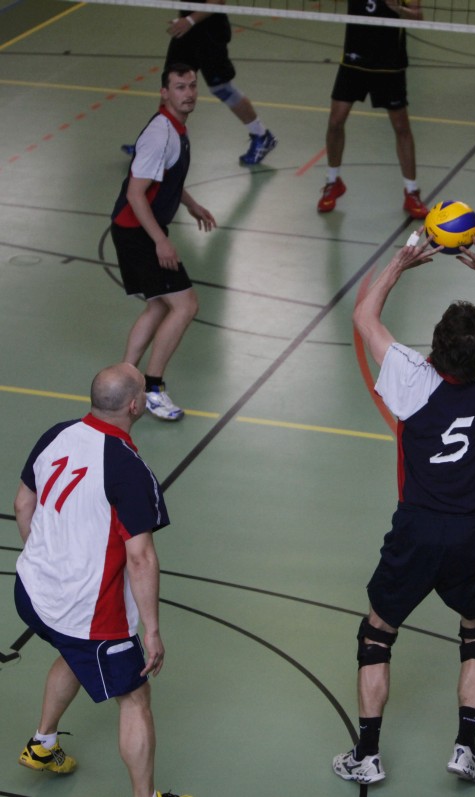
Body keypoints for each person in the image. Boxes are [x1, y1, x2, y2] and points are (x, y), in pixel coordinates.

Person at [332, 230, 475, 785]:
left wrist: (400, 262)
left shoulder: (411, 377)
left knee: (377, 634)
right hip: (471, 532)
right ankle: (464, 749)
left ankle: (367, 755)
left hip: (415, 529)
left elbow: (364, 316)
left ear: (436, 347)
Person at [13, 363, 191, 797]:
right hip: (90, 614)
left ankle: (43, 744)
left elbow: (22, 504)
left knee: (73, 652)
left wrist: (46, 560)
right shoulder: (128, 468)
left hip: (31, 591)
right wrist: (152, 631)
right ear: (135, 406)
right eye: (142, 392)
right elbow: (141, 558)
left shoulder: (56, 434)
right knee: (135, 698)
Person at [112, 63, 216, 421]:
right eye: (180, 87)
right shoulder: (161, 134)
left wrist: (191, 204)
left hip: (139, 229)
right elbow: (135, 193)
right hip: (138, 231)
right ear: (164, 92)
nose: (188, 93)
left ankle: (123, 380)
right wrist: (160, 241)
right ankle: (153, 389)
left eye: (192, 86)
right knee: (185, 305)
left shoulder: (176, 128)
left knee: (159, 306)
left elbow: (165, 178)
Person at [122, 0, 277, 166]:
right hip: (187, 31)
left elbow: (218, 1)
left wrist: (190, 20)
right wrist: (184, 17)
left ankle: (262, 135)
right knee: (172, 84)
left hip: (210, 32)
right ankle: (158, 144)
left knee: (222, 88)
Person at [317, 0, 428, 218]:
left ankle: (412, 192)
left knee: (401, 128)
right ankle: (333, 181)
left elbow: (418, 17)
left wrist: (399, 9)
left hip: (389, 64)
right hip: (354, 60)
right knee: (335, 122)